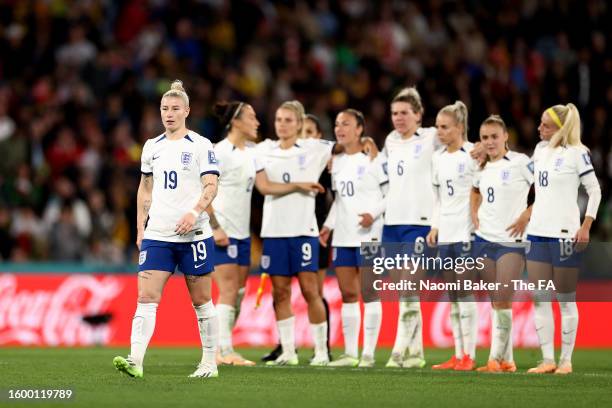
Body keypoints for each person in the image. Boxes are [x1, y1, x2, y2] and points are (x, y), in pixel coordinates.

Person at [113, 80, 221, 379]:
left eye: (175, 108)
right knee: (146, 297)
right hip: (158, 234)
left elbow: (212, 185)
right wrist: (139, 228)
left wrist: (195, 212)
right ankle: (135, 360)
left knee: (201, 301)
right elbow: (145, 188)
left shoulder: (201, 145)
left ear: (187, 110)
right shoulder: (152, 147)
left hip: (194, 235)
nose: (169, 113)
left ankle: (210, 363)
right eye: (164, 108)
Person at [210, 101, 324, 366]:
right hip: (221, 230)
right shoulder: (217, 153)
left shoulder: (254, 153)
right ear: (236, 122)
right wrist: (214, 228)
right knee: (227, 290)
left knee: (238, 292)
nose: (257, 122)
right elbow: (202, 193)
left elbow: (264, 185)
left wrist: (298, 184)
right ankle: (223, 352)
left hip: (241, 233)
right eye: (251, 117)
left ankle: (221, 347)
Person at [525, 104, 601, 375]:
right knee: (540, 298)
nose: (539, 128)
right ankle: (547, 360)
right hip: (537, 234)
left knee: (565, 300)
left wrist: (586, 225)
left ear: (560, 128)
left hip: (564, 236)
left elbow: (595, 191)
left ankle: (566, 360)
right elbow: (524, 175)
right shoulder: (539, 150)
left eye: (545, 125)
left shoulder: (578, 154)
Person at [256, 100, 333, 366]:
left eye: (289, 120)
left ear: (300, 124)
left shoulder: (314, 149)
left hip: (303, 230)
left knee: (311, 290)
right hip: (275, 231)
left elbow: (344, 149)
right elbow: (263, 185)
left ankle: (321, 351)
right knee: (280, 292)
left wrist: (367, 146)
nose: (283, 124)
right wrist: (299, 185)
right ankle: (288, 352)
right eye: (279, 119)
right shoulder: (264, 150)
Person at [320, 109, 388, 368]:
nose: (340, 128)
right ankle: (350, 353)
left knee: (370, 292)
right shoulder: (335, 161)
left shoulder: (373, 158)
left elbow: (389, 194)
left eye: (346, 124)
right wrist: (328, 226)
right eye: (337, 124)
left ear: (360, 129)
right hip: (343, 235)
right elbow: (339, 200)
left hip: (370, 234)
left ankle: (368, 354)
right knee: (348, 293)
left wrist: (374, 213)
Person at [469, 115, 533, 373]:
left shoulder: (520, 162)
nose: (489, 142)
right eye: (485, 138)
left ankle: (495, 360)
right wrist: (474, 212)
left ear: (506, 136)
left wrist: (526, 215)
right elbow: (475, 190)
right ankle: (507, 361)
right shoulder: (481, 167)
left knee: (502, 297)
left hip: (511, 242)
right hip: (484, 239)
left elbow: (547, 188)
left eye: (494, 136)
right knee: (497, 301)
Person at [381, 87, 437, 369]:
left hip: (420, 223)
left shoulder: (431, 137)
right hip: (391, 224)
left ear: (419, 114)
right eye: (394, 113)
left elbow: (458, 143)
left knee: (408, 287)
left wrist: (475, 148)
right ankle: (417, 353)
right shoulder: (390, 141)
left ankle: (398, 352)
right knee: (405, 291)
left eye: (404, 113)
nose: (398, 118)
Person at [427, 101, 479, 371]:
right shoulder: (437, 158)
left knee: (465, 292)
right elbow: (437, 198)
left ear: (459, 128)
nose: (439, 132)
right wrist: (434, 226)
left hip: (466, 233)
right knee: (453, 294)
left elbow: (480, 191)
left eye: (444, 127)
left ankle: (470, 355)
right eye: (437, 127)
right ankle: (458, 354)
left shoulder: (474, 154)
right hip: (446, 233)